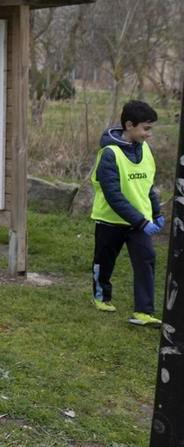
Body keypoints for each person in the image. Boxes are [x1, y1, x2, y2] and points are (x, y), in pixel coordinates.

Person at [90, 100, 163, 327]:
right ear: (129, 125)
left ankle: (143, 312)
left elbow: (147, 186)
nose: (149, 134)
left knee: (146, 259)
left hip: (138, 222)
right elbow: (113, 196)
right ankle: (101, 296)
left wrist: (157, 212)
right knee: (105, 261)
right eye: (146, 128)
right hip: (110, 221)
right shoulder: (110, 154)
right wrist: (141, 221)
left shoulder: (146, 150)